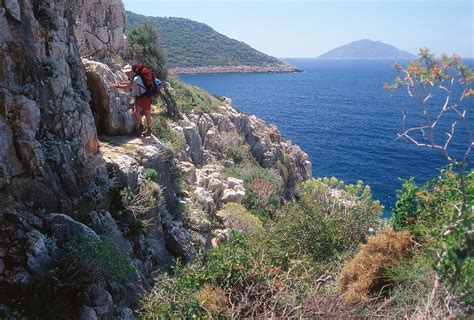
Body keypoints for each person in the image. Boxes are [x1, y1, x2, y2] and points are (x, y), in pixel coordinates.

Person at [112, 64, 152, 137]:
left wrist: (117, 86)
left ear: (131, 71)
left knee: (147, 114)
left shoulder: (137, 78)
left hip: (145, 97)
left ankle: (149, 130)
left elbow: (128, 86)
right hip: (138, 98)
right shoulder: (133, 78)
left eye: (128, 72)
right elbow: (130, 83)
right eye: (126, 72)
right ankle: (141, 126)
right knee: (136, 113)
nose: (127, 73)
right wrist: (120, 83)